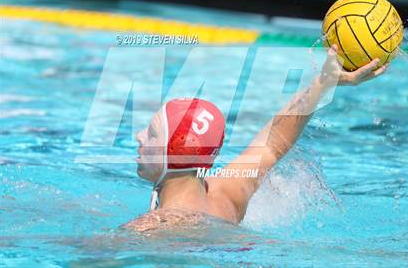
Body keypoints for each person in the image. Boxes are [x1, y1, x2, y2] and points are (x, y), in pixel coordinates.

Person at [124, 45, 388, 232]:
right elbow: (273, 144)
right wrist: (324, 82)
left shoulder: (150, 230)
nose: (139, 137)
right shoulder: (225, 195)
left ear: (178, 152)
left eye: (153, 134)